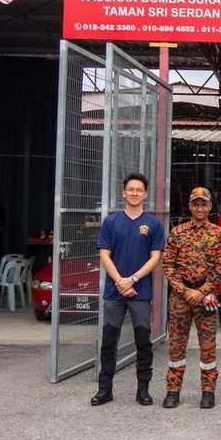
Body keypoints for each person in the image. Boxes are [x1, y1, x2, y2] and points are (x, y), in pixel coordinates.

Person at [91, 173, 165, 407]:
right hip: (114, 293)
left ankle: (142, 390)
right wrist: (120, 281)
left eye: (139, 190)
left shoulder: (153, 224)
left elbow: (155, 258)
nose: (134, 193)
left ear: (145, 194)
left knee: (143, 341)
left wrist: (132, 279)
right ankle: (105, 390)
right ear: (123, 193)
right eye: (130, 189)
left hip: (140, 293)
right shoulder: (111, 222)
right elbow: (104, 254)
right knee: (108, 342)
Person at [161, 187, 221, 410]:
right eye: (195, 204)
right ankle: (173, 391)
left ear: (210, 207)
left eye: (203, 204)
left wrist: (201, 291)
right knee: (176, 346)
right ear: (190, 206)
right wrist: (184, 290)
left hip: (206, 295)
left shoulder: (218, 234)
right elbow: (168, 265)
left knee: (208, 346)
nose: (199, 208)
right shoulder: (177, 232)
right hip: (181, 297)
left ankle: (208, 392)